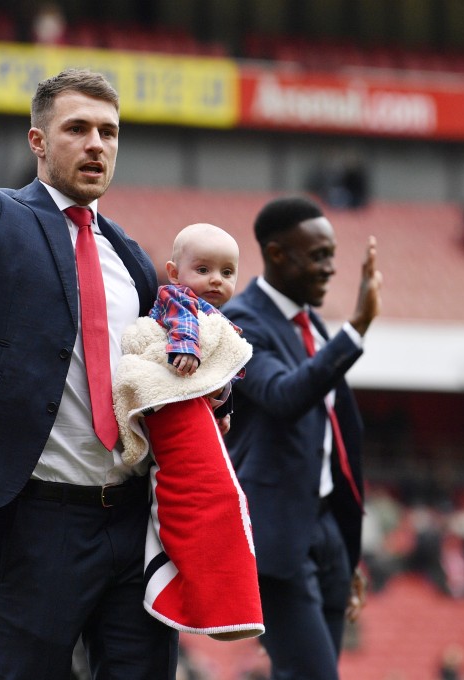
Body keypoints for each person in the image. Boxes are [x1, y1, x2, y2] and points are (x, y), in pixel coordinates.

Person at [0, 24, 174, 679]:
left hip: (134, 518)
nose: (97, 143)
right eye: (78, 129)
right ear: (38, 142)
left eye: (109, 132)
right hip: (43, 518)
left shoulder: (132, 259)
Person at [222, 195, 382, 680]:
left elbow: (332, 436)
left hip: (326, 528)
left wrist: (346, 553)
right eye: (318, 256)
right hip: (277, 537)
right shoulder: (241, 321)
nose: (331, 268)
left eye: (332, 255)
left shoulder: (307, 320)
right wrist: (356, 327)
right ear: (276, 254)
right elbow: (284, 396)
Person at [113, 223, 262, 640]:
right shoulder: (178, 299)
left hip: (190, 401)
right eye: (204, 269)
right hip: (169, 391)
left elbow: (221, 375)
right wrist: (185, 350)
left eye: (227, 272)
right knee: (212, 492)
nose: (216, 280)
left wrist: (223, 408)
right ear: (174, 272)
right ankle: (212, 597)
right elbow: (183, 327)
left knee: (220, 493)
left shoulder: (220, 320)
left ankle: (220, 599)